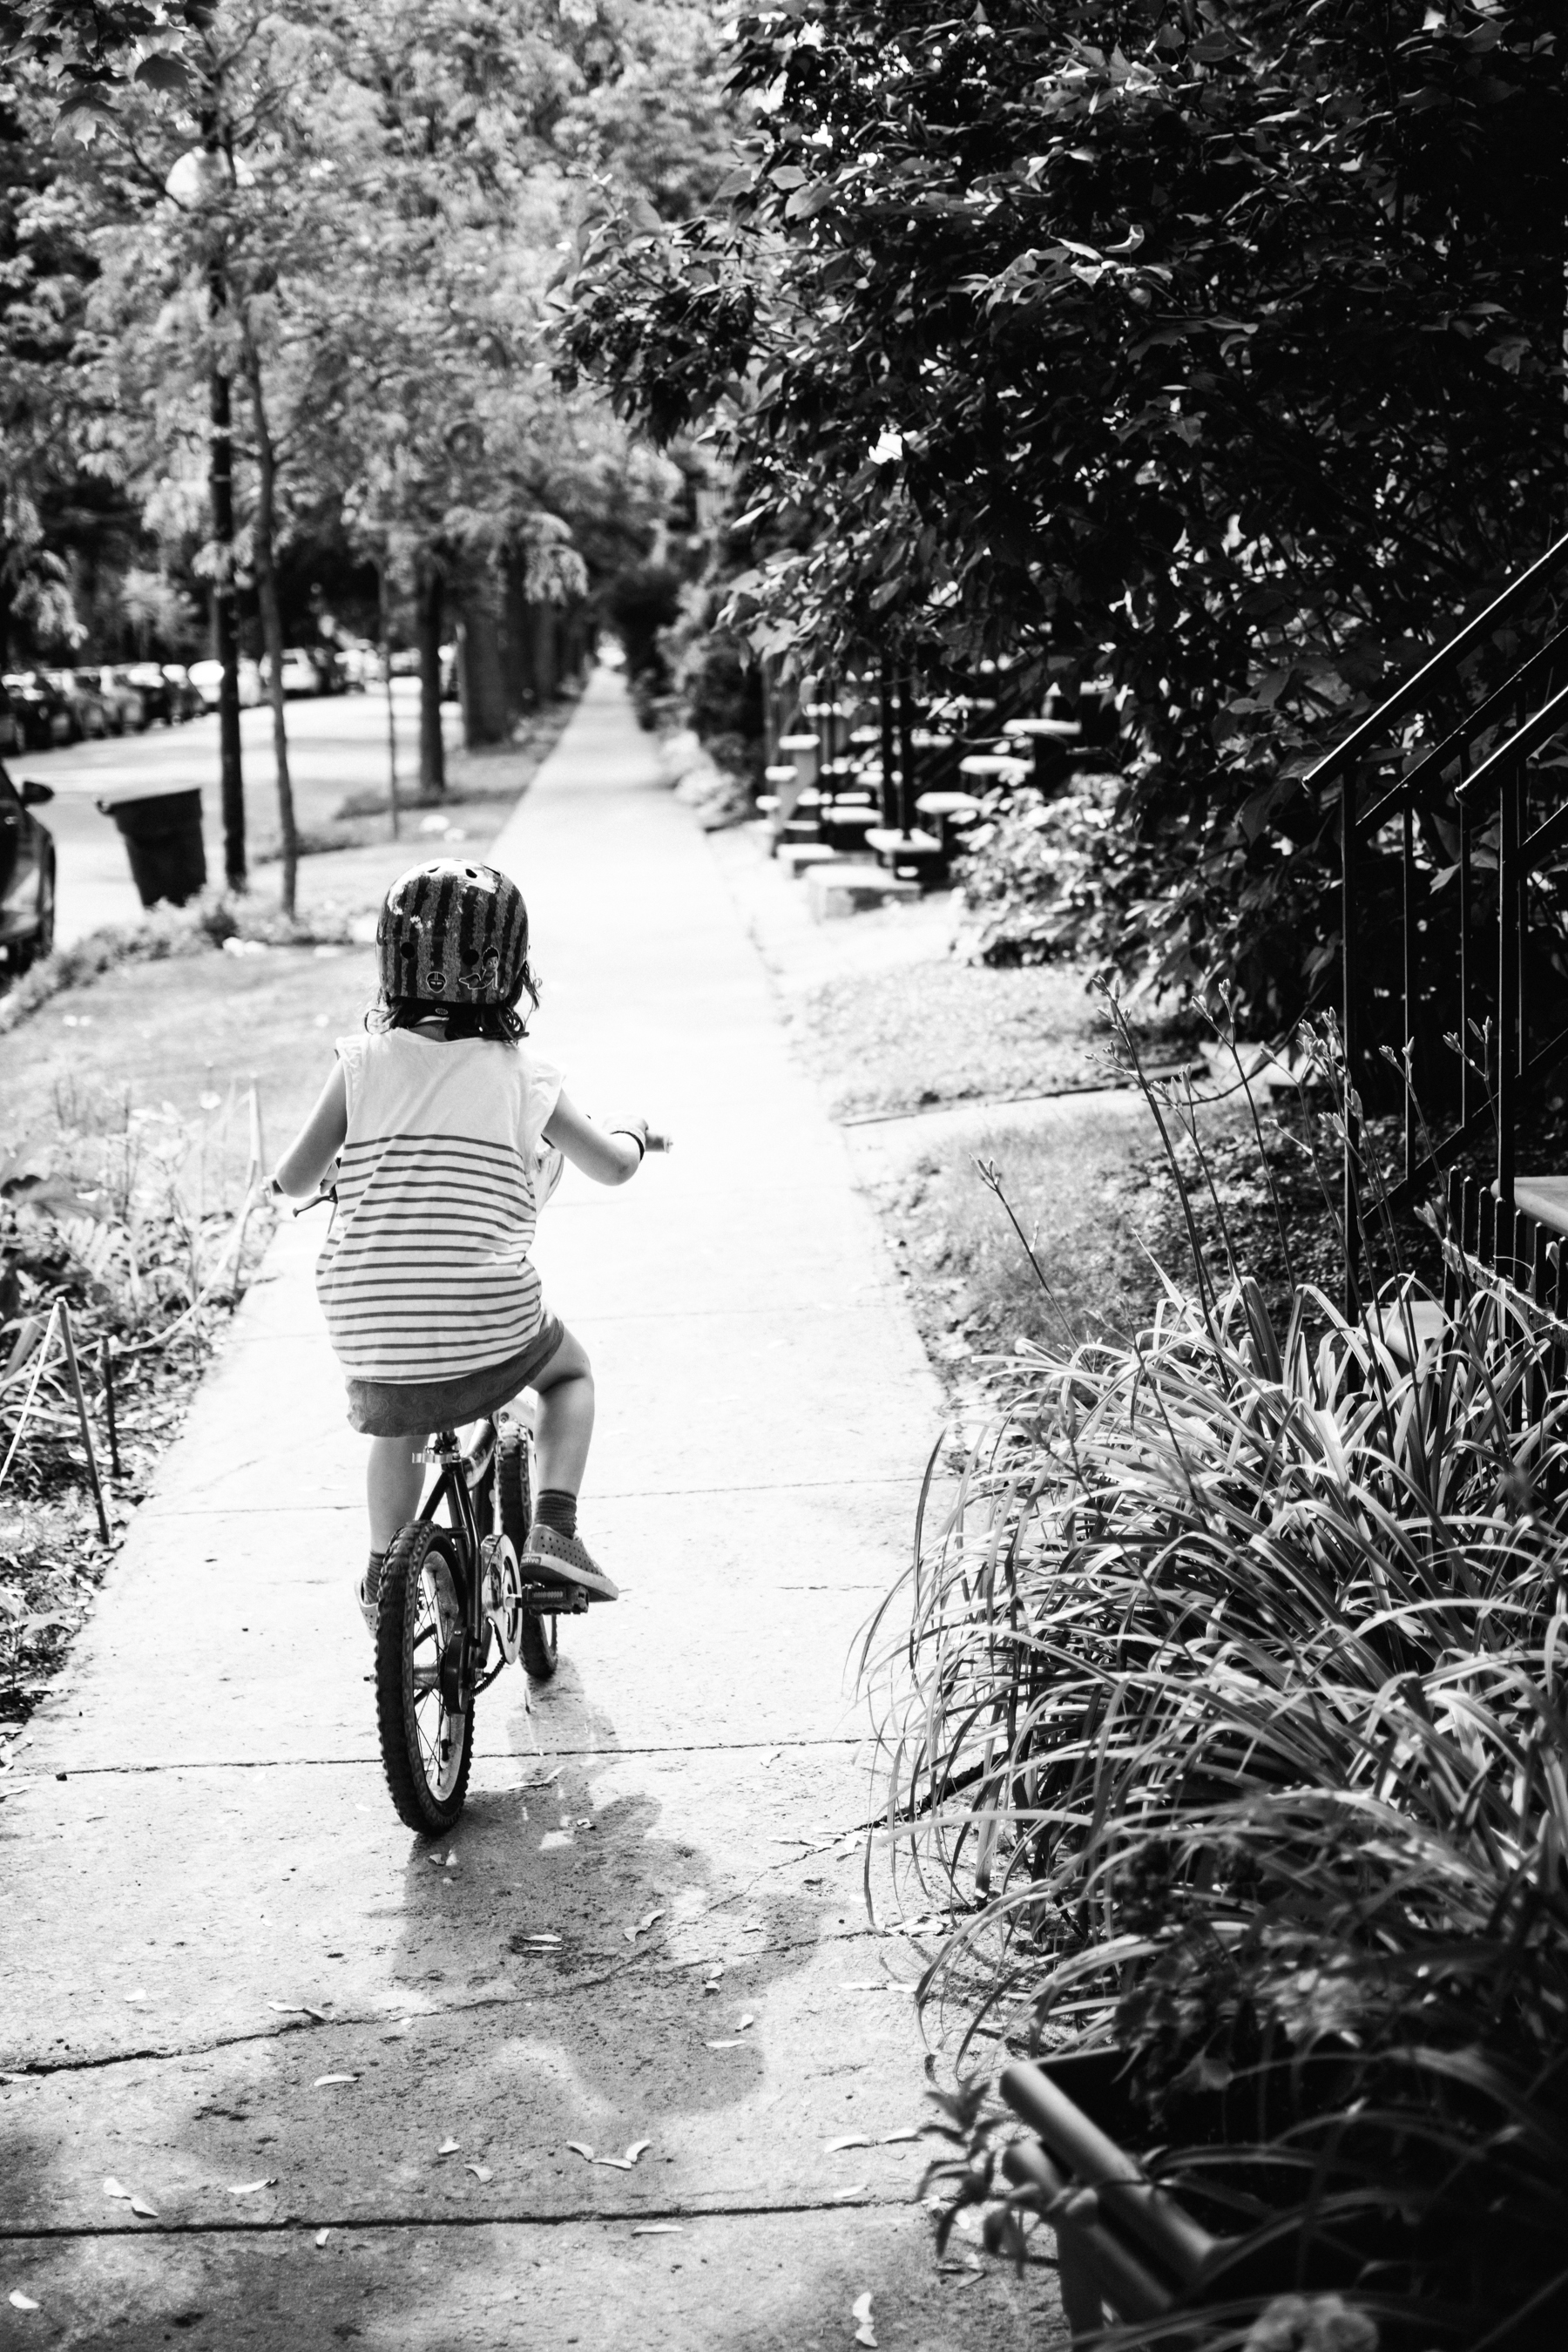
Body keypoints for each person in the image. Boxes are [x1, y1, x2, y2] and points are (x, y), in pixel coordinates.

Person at [271, 856, 649, 1628]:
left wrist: (340, 1169)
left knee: (404, 1422)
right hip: (486, 1315)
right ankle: (555, 1531)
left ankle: (385, 1572)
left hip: (372, 1323)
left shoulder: (359, 1064)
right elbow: (610, 1169)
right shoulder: (524, 1073)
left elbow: (293, 1177)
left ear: (390, 961)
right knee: (569, 1374)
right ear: (511, 970)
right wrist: (634, 1137)